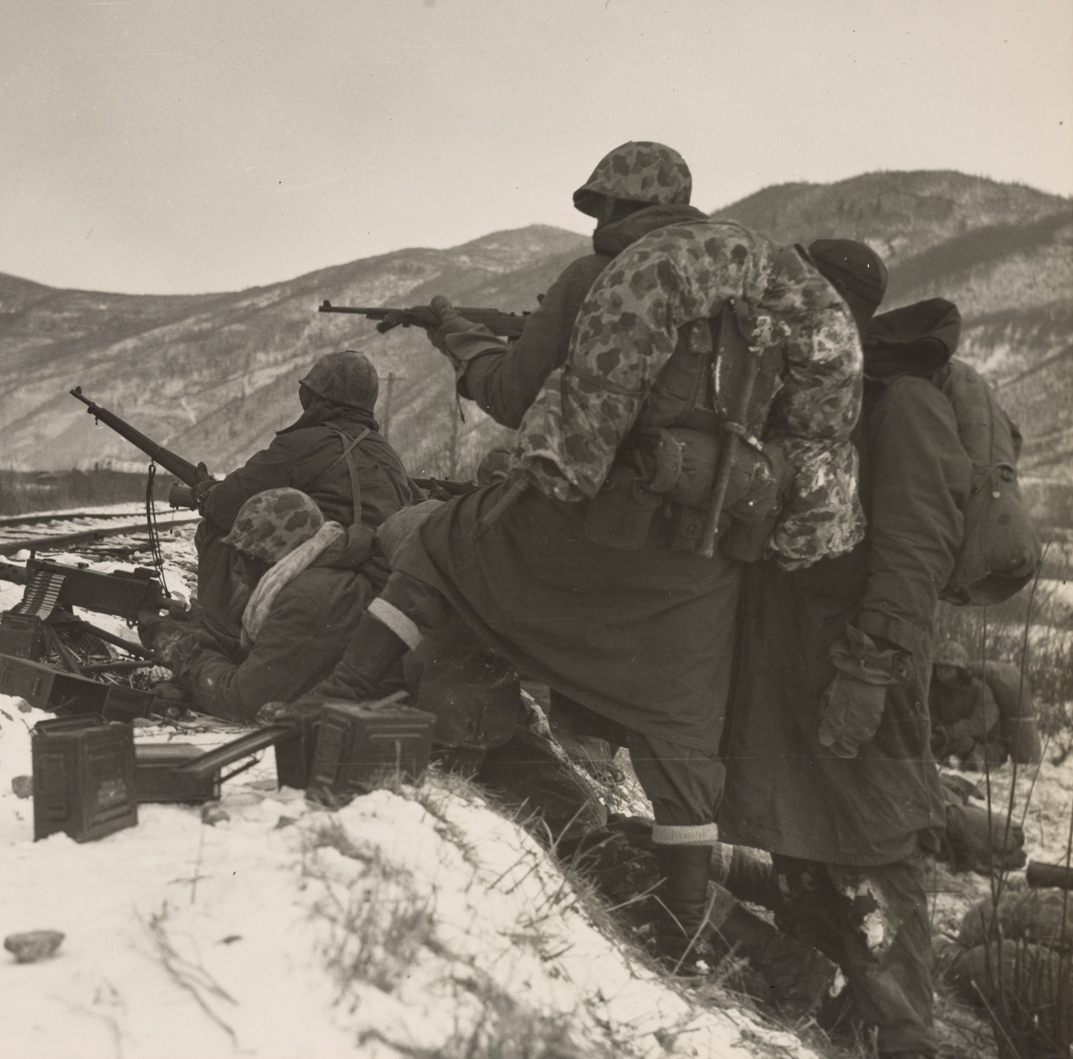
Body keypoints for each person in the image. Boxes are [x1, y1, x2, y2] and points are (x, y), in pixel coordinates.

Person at [262, 141, 868, 963]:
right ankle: (685, 928)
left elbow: (512, 393)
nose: (595, 227)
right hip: (701, 562)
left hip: (590, 532)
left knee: (441, 545)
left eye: (600, 210)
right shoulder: (768, 299)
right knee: (682, 739)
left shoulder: (602, 279)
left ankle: (335, 695)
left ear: (615, 206)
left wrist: (461, 340)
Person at [717, 245, 967, 1059]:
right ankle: (841, 1024)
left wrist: (869, 669)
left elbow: (915, 554)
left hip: (860, 672)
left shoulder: (902, 405)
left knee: (869, 852)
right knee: (803, 847)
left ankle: (904, 1035)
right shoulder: (813, 393)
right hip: (794, 669)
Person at [180, 349, 419, 651]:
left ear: (317, 400)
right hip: (378, 586)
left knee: (216, 531)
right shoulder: (389, 455)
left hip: (314, 584)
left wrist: (207, 493)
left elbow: (225, 506)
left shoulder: (298, 445)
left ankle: (220, 639)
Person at [137, 488, 397, 723]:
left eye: (248, 555)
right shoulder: (317, 575)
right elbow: (267, 660)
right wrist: (198, 632)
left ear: (275, 555)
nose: (238, 567)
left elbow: (243, 702)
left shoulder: (309, 597)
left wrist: (182, 649)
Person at [929, 639, 1042, 768]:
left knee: (967, 750)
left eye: (947, 668)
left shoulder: (979, 689)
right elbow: (932, 717)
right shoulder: (938, 691)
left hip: (988, 746)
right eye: (939, 667)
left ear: (959, 669)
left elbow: (980, 722)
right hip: (956, 740)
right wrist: (934, 733)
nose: (941, 672)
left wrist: (946, 733)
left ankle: (962, 762)